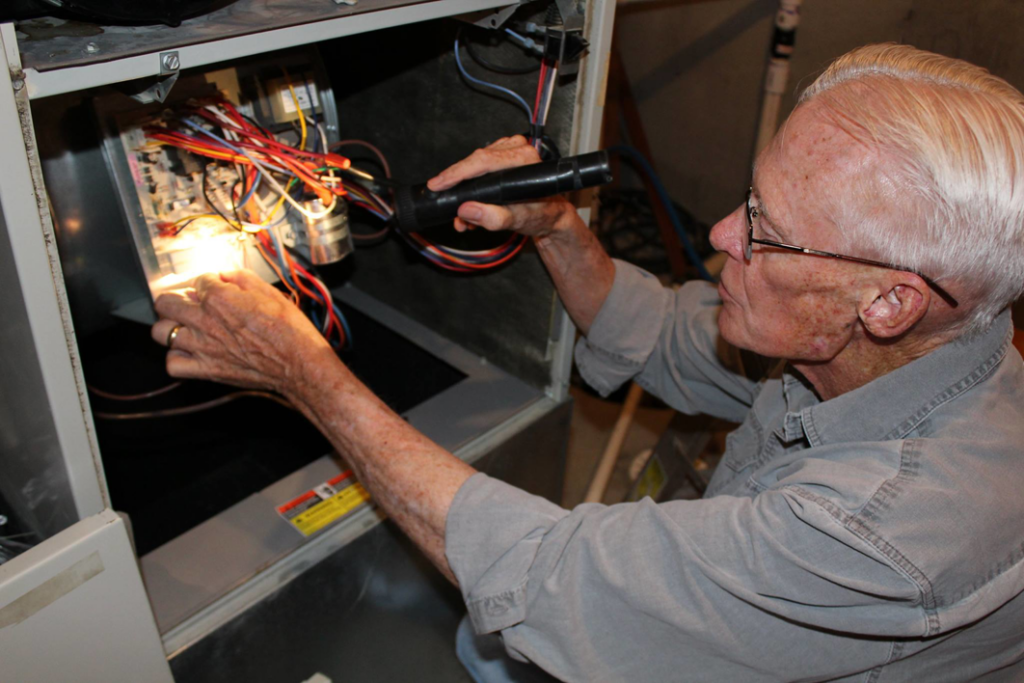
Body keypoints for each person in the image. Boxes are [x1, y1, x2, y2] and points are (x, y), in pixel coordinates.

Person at [151, 44, 1024, 681]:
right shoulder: (898, 348)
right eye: (750, 198)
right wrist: (561, 231)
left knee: (500, 638)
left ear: (887, 302)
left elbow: (550, 578)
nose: (721, 235)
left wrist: (301, 370)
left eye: (764, 231)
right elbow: (670, 337)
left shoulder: (886, 533)